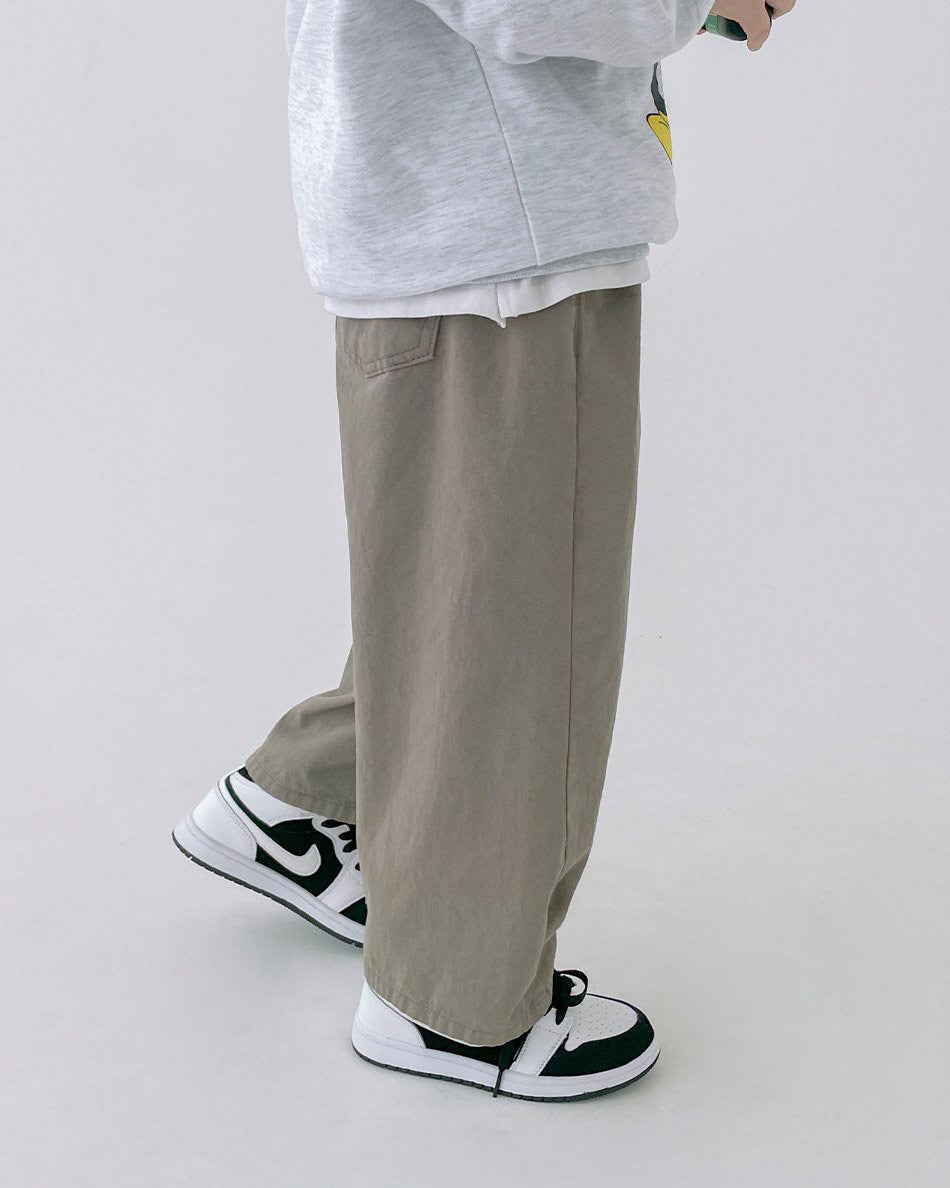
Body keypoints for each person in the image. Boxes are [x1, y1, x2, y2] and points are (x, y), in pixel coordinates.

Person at [173, 0, 795, 1102]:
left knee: (460, 601)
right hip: (504, 258)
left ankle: (304, 803)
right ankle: (454, 1002)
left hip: (456, 233)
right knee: (523, 639)